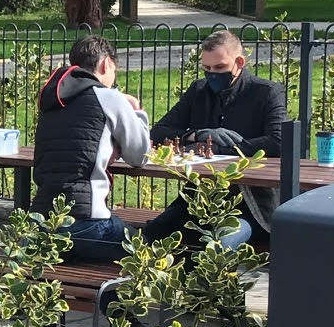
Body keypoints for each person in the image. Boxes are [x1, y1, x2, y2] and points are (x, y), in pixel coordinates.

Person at [143, 31, 288, 250]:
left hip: (251, 202)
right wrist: (197, 134)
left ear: (239, 63)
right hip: (199, 197)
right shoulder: (199, 90)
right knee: (149, 235)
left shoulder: (266, 92)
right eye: (207, 68)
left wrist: (221, 148)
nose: (212, 74)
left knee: (219, 245)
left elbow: (278, 142)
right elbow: (158, 132)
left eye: (220, 67)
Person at [31, 33, 151, 261]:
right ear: (106, 64)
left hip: (42, 222)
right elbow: (140, 156)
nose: (113, 79)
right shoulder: (109, 97)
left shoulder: (52, 98)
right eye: (114, 71)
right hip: (87, 223)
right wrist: (136, 109)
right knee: (146, 250)